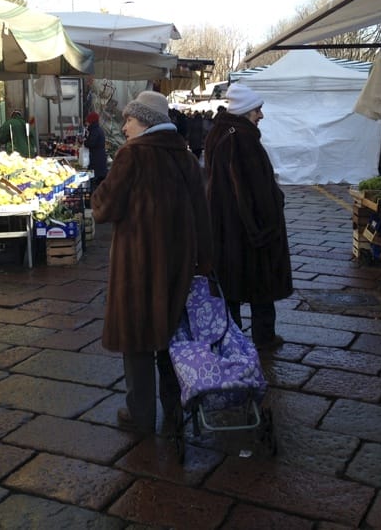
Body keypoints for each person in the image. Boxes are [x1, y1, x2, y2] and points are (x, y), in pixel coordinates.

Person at [91, 90, 213, 435]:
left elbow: (104, 208)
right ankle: (174, 411)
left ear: (145, 121)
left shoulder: (132, 156)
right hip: (178, 266)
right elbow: (202, 216)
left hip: (138, 268)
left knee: (137, 342)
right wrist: (204, 262)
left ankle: (140, 414)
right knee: (171, 340)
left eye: (130, 119)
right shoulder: (187, 159)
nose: (125, 126)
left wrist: (98, 190)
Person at [203, 83, 293, 351]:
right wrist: (266, 224)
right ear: (245, 111)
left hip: (224, 225)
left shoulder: (220, 134)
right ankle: (264, 337)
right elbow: (252, 189)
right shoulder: (242, 139)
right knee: (260, 284)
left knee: (230, 286)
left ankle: (232, 338)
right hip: (247, 229)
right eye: (257, 110)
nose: (261, 115)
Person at [83, 111, 108, 188]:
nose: (86, 123)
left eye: (87, 121)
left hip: (96, 158)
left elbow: (91, 143)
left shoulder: (94, 130)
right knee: (99, 178)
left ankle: (95, 196)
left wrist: (84, 142)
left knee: (96, 179)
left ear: (91, 121)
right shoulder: (97, 129)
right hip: (100, 157)